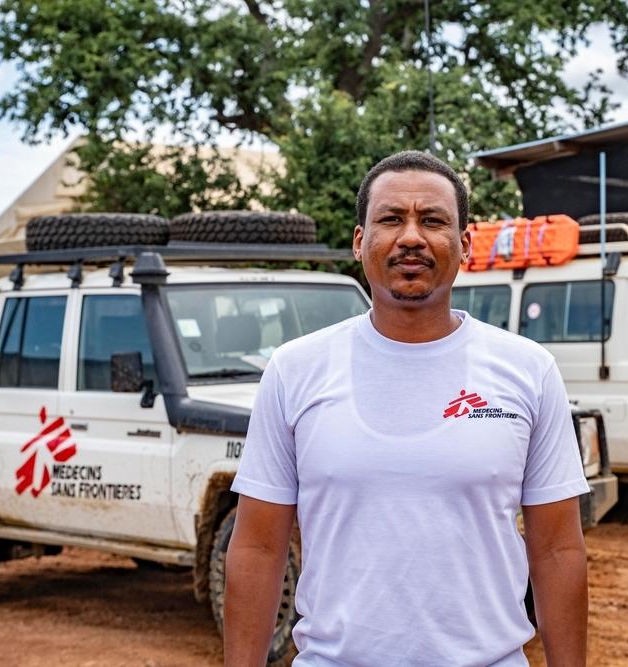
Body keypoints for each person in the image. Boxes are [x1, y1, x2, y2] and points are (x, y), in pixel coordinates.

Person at [224, 150, 589, 666]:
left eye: (433, 220)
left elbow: (557, 551)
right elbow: (259, 549)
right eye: (391, 219)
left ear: (464, 245)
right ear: (359, 241)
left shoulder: (527, 371)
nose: (412, 237)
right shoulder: (295, 370)